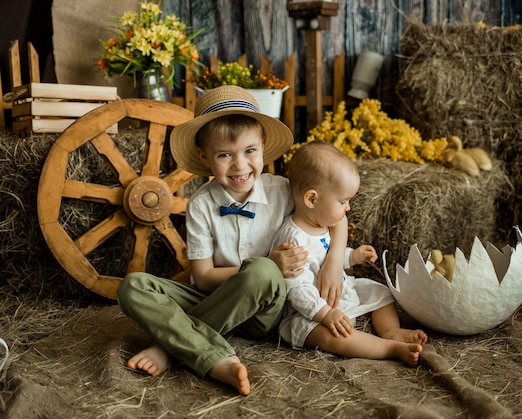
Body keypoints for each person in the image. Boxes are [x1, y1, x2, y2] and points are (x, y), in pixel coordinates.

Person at [116, 86, 348, 396]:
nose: (240, 165)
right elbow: (203, 278)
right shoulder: (200, 204)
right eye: (225, 155)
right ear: (204, 156)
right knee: (132, 287)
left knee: (263, 272)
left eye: (250, 151)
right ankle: (208, 351)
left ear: (263, 147)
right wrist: (266, 263)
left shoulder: (283, 190)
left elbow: (337, 214)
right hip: (217, 298)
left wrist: (333, 263)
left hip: (266, 311)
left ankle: (171, 348)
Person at [272, 141, 428, 366]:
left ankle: (391, 331)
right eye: (343, 201)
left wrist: (352, 256)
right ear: (312, 199)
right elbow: (297, 289)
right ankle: (389, 348)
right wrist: (325, 314)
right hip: (308, 311)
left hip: (341, 292)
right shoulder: (293, 238)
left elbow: (325, 256)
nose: (348, 208)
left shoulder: (322, 223)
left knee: (382, 293)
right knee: (331, 337)